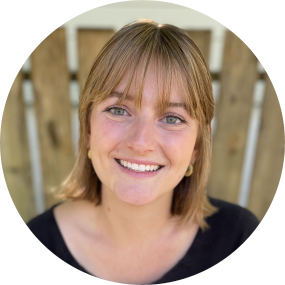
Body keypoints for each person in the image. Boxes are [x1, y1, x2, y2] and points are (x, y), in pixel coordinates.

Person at [27, 19, 259, 284]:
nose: (140, 142)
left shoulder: (238, 238)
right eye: (118, 110)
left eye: (172, 118)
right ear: (88, 129)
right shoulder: (41, 239)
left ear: (196, 145)